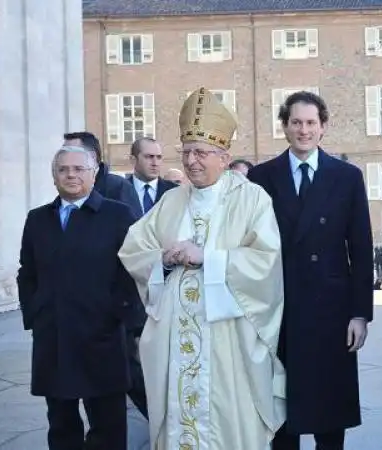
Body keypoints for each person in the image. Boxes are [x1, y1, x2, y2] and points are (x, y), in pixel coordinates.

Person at [118, 87, 286, 449]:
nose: (192, 160)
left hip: (227, 340)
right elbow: (133, 248)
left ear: (224, 157)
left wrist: (207, 257)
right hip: (174, 340)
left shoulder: (251, 197)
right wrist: (161, 259)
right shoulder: (171, 200)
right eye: (187, 151)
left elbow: (266, 260)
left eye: (202, 152)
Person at [248, 91, 373, 450]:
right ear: (284, 127)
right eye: (296, 122)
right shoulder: (261, 177)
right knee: (281, 410)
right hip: (279, 309)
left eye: (311, 123)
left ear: (323, 128)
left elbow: (361, 249)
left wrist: (360, 314)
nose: (304, 130)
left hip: (331, 311)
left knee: (329, 412)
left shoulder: (346, 176)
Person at [17, 145, 140, 450]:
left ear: (94, 173)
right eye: (63, 169)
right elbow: (27, 272)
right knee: (60, 423)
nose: (70, 175)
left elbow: (133, 271)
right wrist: (35, 313)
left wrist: (118, 316)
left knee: (108, 424)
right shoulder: (38, 219)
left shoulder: (116, 215)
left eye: (78, 169)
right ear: (54, 176)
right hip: (53, 337)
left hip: (102, 337)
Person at [121, 136, 178, 420]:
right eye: (149, 157)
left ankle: (166, 414)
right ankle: (155, 415)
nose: (155, 162)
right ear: (134, 160)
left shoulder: (175, 193)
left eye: (159, 157)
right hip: (127, 293)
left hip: (165, 290)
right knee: (131, 364)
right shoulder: (116, 193)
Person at [63, 131, 142, 218]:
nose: (64, 157)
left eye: (71, 152)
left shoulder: (119, 187)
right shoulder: (66, 187)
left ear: (92, 156)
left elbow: (135, 227)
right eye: (63, 153)